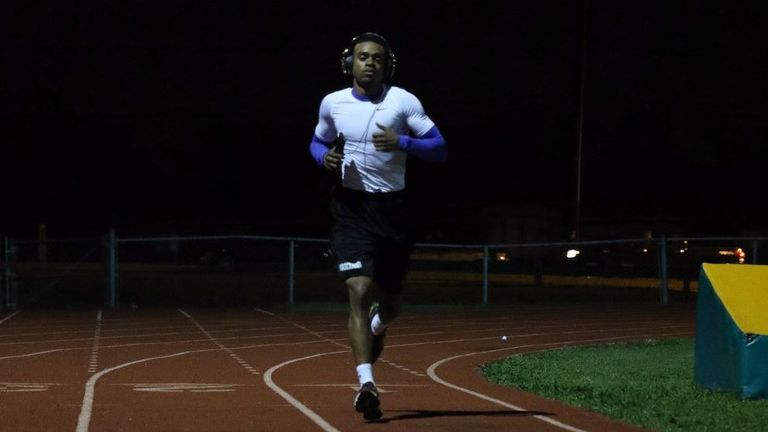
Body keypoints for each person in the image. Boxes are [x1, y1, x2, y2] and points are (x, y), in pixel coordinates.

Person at [309, 32, 447, 420]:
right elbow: (316, 142)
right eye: (363, 57)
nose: (369, 63)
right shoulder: (332, 103)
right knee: (358, 288)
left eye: (378, 59)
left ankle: (379, 324)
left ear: (387, 65)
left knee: (390, 303)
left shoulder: (404, 101)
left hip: (393, 211)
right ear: (348, 62)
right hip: (351, 209)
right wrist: (324, 158)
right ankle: (366, 384)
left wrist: (404, 142)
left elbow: (440, 147)